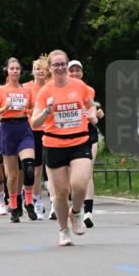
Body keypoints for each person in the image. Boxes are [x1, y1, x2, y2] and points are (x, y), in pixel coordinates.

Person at [31, 50, 97, 247]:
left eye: (63, 64)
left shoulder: (79, 86)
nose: (60, 67)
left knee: (80, 183)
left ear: (66, 66)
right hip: (54, 144)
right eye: (56, 65)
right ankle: (63, 230)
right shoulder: (45, 92)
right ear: (50, 68)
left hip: (79, 141)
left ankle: (76, 212)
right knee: (60, 194)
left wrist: (91, 114)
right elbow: (35, 123)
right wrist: (46, 111)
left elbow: (90, 104)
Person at [0, 58, 37, 222]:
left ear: (20, 71)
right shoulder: (0, 91)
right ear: (7, 71)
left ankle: (29, 202)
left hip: (24, 128)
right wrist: (4, 108)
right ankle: (14, 206)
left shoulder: (26, 90)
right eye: (12, 68)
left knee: (29, 166)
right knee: (13, 175)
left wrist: (31, 110)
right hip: (7, 129)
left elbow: (31, 107)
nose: (15, 71)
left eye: (17, 68)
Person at [68, 60, 104, 227]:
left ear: (82, 73)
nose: (75, 73)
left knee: (88, 170)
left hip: (88, 132)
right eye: (71, 71)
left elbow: (91, 110)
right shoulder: (60, 90)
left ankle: (88, 212)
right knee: (72, 174)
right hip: (69, 133)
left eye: (78, 70)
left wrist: (96, 114)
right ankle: (74, 205)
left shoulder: (88, 90)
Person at [24, 55, 50, 218]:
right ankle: (37, 199)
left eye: (42, 68)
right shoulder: (26, 88)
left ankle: (52, 201)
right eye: (37, 68)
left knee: (51, 166)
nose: (39, 71)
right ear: (33, 71)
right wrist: (32, 111)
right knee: (36, 168)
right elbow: (21, 108)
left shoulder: (50, 87)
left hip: (50, 128)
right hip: (32, 129)